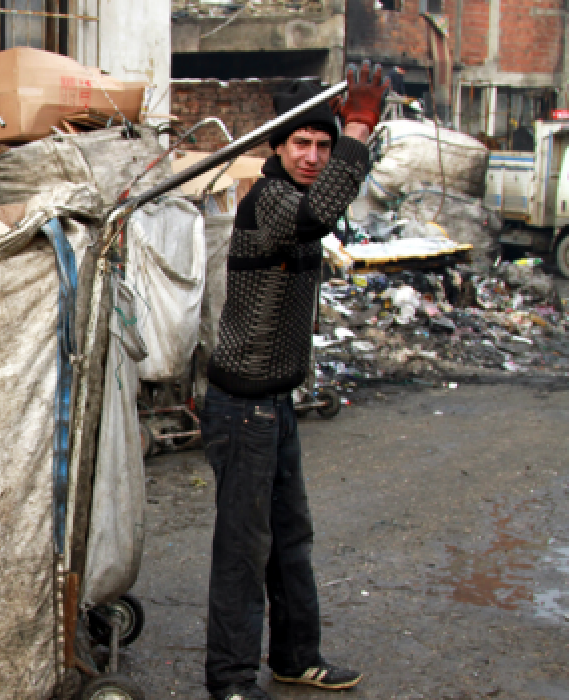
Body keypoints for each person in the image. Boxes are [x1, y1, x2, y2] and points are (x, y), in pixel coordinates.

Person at [199, 62, 389, 700]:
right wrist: (358, 125)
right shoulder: (271, 198)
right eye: (300, 143)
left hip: (271, 402)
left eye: (324, 144)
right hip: (240, 406)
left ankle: (294, 656)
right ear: (276, 149)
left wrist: (355, 136)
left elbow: (329, 202)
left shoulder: (300, 191)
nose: (312, 155)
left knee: (291, 535)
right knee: (243, 549)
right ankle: (228, 680)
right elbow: (320, 215)